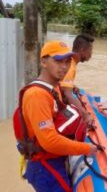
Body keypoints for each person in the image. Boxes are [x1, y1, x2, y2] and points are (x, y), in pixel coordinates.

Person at [18, 41, 97, 192]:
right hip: (44, 166)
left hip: (54, 159)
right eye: (58, 61)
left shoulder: (54, 87)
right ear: (44, 62)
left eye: (67, 61)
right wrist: (87, 148)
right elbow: (49, 141)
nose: (64, 66)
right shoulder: (37, 95)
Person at [61, 34, 94, 125]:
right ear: (82, 50)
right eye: (90, 50)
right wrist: (85, 115)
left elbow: (62, 85)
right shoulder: (70, 66)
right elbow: (67, 95)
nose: (91, 54)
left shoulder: (70, 61)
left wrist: (71, 87)